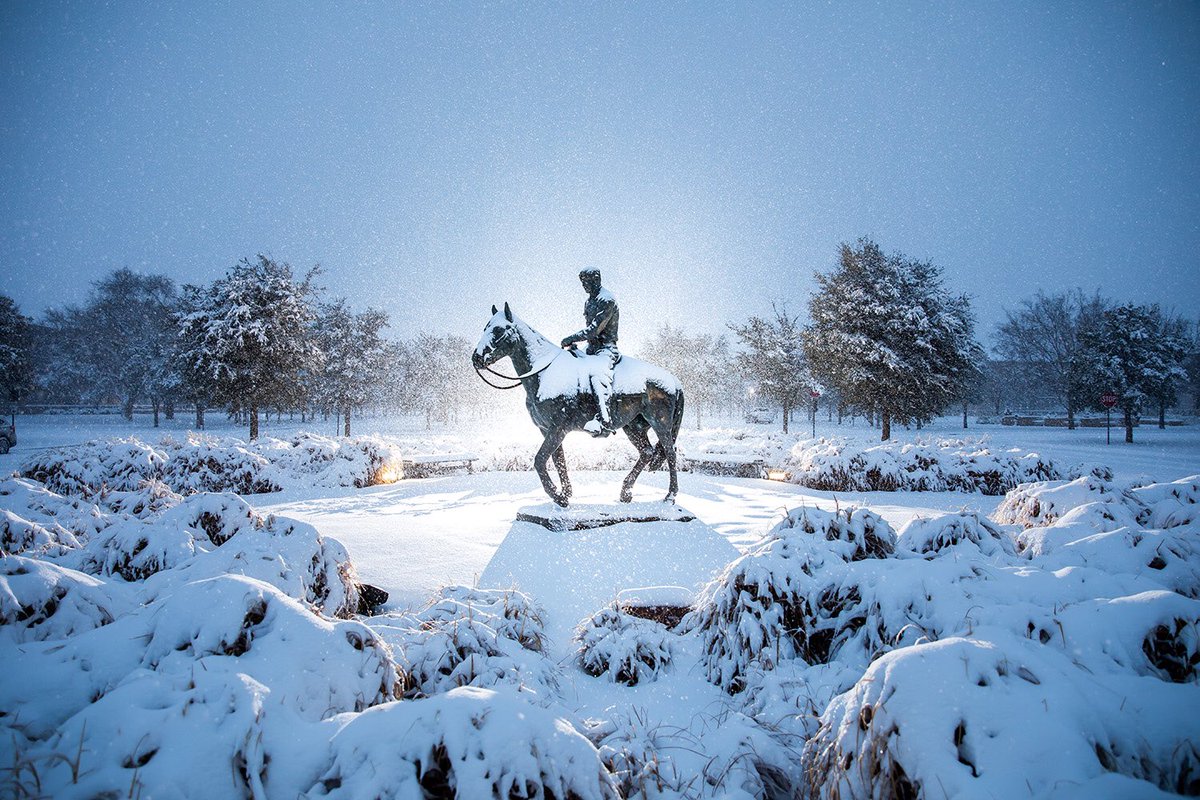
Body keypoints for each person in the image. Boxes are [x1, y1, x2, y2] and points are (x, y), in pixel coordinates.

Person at [561, 268, 619, 436]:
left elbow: (594, 329)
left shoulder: (606, 300)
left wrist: (572, 337)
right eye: (583, 283)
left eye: (587, 282)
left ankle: (604, 420)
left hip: (606, 349)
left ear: (597, 280)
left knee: (597, 375)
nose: (585, 286)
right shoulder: (589, 302)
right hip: (591, 348)